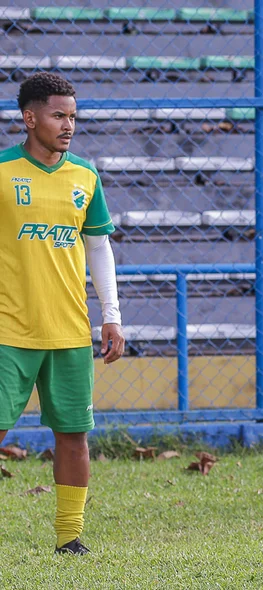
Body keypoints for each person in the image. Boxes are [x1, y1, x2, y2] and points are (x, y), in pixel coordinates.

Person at [0, 72, 126, 554]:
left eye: (73, 116)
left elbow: (98, 248)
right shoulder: (5, 171)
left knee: (74, 436)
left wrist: (110, 315)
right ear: (30, 118)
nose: (69, 125)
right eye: (58, 115)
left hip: (69, 330)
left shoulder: (85, 176)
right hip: (9, 329)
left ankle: (69, 536)